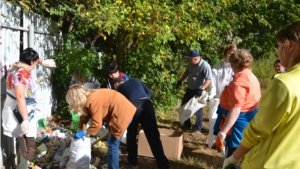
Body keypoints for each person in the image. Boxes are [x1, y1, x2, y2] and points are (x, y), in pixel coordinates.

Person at [223, 21, 300, 169]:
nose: (277, 51)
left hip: (267, 162)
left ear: (290, 46)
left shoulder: (284, 83)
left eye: (279, 45)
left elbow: (259, 130)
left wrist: (234, 157)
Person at [2, 48, 56, 169]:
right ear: (31, 62)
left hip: (19, 110)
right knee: (27, 145)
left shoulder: (15, 67)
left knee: (22, 139)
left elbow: (29, 59)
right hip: (21, 112)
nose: (35, 66)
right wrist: (25, 120)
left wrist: (42, 62)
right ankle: (24, 164)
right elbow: (20, 97)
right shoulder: (21, 74)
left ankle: (24, 163)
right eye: (35, 64)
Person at [65, 84, 136, 169]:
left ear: (77, 99)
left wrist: (84, 132)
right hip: (119, 111)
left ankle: (113, 167)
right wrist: (79, 130)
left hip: (122, 112)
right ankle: (111, 165)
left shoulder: (93, 100)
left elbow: (97, 124)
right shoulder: (88, 97)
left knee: (113, 144)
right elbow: (84, 116)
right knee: (111, 141)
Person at [214, 49, 261, 159]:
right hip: (248, 118)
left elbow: (235, 109)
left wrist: (222, 133)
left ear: (234, 64)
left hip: (238, 124)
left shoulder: (239, 82)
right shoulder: (251, 76)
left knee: (234, 155)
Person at [114, 78, 169, 169]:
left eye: (115, 85)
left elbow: (120, 104)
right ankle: (163, 165)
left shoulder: (119, 88)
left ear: (118, 83)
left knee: (131, 135)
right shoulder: (135, 81)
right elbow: (149, 92)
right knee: (153, 137)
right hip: (147, 104)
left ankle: (133, 162)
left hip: (133, 106)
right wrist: (144, 102)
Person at [175, 50, 212, 135]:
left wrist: (202, 89)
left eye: (189, 59)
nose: (188, 61)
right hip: (190, 88)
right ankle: (187, 124)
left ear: (195, 59)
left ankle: (197, 129)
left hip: (199, 90)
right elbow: (186, 72)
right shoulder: (191, 64)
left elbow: (209, 80)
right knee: (184, 105)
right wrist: (180, 81)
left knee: (197, 109)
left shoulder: (205, 66)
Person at [208, 44, 237, 149]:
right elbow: (213, 83)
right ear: (226, 54)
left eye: (234, 53)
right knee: (213, 120)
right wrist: (212, 93)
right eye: (230, 53)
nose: (232, 55)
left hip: (231, 101)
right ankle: (213, 143)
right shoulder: (217, 67)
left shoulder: (237, 67)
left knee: (228, 123)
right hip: (217, 99)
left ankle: (225, 145)